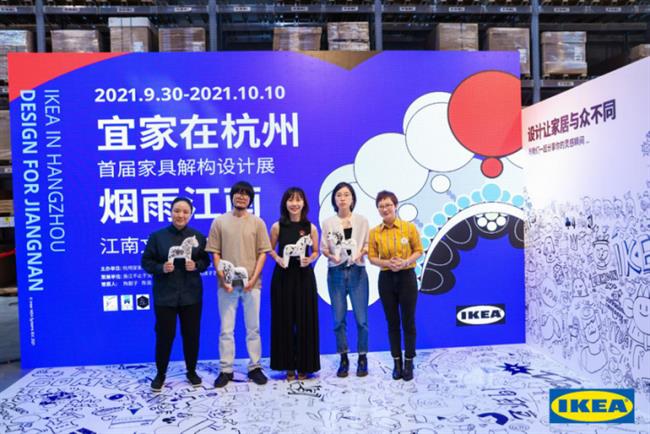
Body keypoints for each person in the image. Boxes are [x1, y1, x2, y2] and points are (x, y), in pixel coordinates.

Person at [141, 197, 211, 392]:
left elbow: (206, 261)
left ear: (190, 214)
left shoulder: (198, 237)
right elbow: (146, 262)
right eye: (177, 211)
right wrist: (161, 268)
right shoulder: (157, 237)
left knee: (191, 335)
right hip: (165, 296)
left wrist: (196, 265)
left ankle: (191, 371)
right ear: (171, 212)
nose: (181, 215)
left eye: (185, 212)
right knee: (164, 336)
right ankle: (160, 374)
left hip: (191, 295)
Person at [206, 181, 271, 387]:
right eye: (238, 193)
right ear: (232, 196)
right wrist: (223, 278)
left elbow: (263, 253)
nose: (241, 197)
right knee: (226, 329)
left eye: (245, 194)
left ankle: (255, 367)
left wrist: (253, 279)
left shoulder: (258, 223)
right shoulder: (219, 222)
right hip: (226, 286)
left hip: (252, 284)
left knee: (253, 328)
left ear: (250, 199)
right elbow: (215, 253)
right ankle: (226, 370)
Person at [367, 190, 423, 382]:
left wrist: (406, 262)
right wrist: (387, 263)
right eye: (381, 206)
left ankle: (409, 361)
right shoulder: (374, 232)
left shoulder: (409, 228)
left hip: (407, 277)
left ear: (395, 206)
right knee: (392, 322)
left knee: (408, 321)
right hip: (386, 279)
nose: (385, 209)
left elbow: (418, 250)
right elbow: (372, 257)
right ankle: (397, 362)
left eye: (388, 205)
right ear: (378, 209)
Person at [269, 187, 321, 380]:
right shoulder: (277, 226)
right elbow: (269, 248)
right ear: (285, 203)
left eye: (298, 200)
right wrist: (278, 259)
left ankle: (305, 366)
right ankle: (288, 365)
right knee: (284, 320)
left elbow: (315, 251)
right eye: (291, 200)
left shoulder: (310, 227)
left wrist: (310, 259)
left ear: (304, 203)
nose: (294, 203)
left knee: (305, 320)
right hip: (283, 277)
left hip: (304, 277)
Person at [320, 182, 370, 377]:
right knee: (338, 319)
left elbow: (367, 244)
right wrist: (331, 256)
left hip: (358, 272)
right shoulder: (328, 223)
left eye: (346, 194)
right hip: (336, 273)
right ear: (334, 199)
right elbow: (324, 248)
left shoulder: (362, 221)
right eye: (339, 195)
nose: (342, 198)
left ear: (352, 198)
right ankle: (343, 357)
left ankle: (363, 357)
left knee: (361, 319)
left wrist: (361, 253)